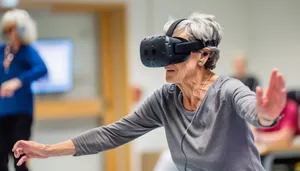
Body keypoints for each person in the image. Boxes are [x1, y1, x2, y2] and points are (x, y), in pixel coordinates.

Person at [12, 12, 287, 171]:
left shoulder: (228, 90)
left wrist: (267, 113)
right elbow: (114, 133)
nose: (166, 62)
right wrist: (48, 150)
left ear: (203, 56)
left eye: (175, 50)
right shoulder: (165, 99)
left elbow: (255, 110)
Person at [0, 9, 48, 171]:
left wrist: (18, 81)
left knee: (19, 156)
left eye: (13, 29)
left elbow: (42, 69)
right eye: (8, 29)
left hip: (21, 112)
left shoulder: (27, 51)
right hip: (2, 111)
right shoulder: (2, 51)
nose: (10, 33)